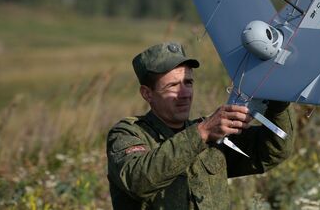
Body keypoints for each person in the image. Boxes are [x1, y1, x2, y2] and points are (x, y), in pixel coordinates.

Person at [106, 42, 295, 209]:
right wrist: (201, 134)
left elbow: (272, 152)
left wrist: (277, 102)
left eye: (188, 83)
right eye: (172, 86)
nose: (185, 93)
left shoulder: (212, 135)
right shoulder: (128, 134)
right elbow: (138, 181)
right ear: (147, 94)